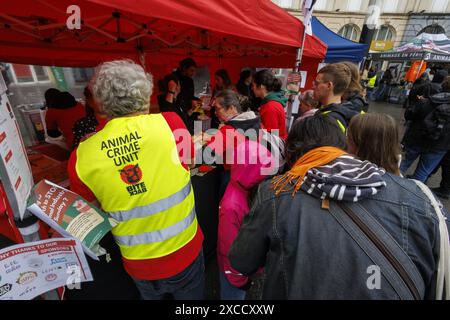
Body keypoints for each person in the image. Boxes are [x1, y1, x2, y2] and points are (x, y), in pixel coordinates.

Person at [229, 115, 449, 299]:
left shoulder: (277, 192)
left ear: (292, 152)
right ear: (344, 145)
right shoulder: (420, 196)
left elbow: (242, 260)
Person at [68, 60, 204, 300]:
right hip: (185, 251)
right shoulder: (169, 123)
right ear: (145, 92)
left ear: (99, 101)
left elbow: (89, 214)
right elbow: (191, 162)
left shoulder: (81, 156)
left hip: (138, 263)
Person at [212, 91, 276, 300]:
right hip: (252, 175)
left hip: (237, 174)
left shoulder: (227, 131)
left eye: (218, 108)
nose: (216, 112)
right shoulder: (255, 120)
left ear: (231, 109)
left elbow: (210, 152)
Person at [400, 76, 450, 182]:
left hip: (416, 139)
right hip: (439, 146)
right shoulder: (428, 101)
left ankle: (389, 187)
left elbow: (409, 115)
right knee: (423, 173)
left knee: (402, 165)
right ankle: (413, 195)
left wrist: (417, 104)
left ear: (443, 85)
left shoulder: (427, 101)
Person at [313, 63, 359, 133]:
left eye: (316, 83)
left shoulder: (328, 121)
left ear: (329, 85)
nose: (313, 87)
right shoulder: (342, 112)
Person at [252, 69, 288, 139]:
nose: (252, 88)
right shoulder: (271, 102)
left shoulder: (270, 106)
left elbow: (270, 137)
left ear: (261, 86)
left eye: (253, 85)